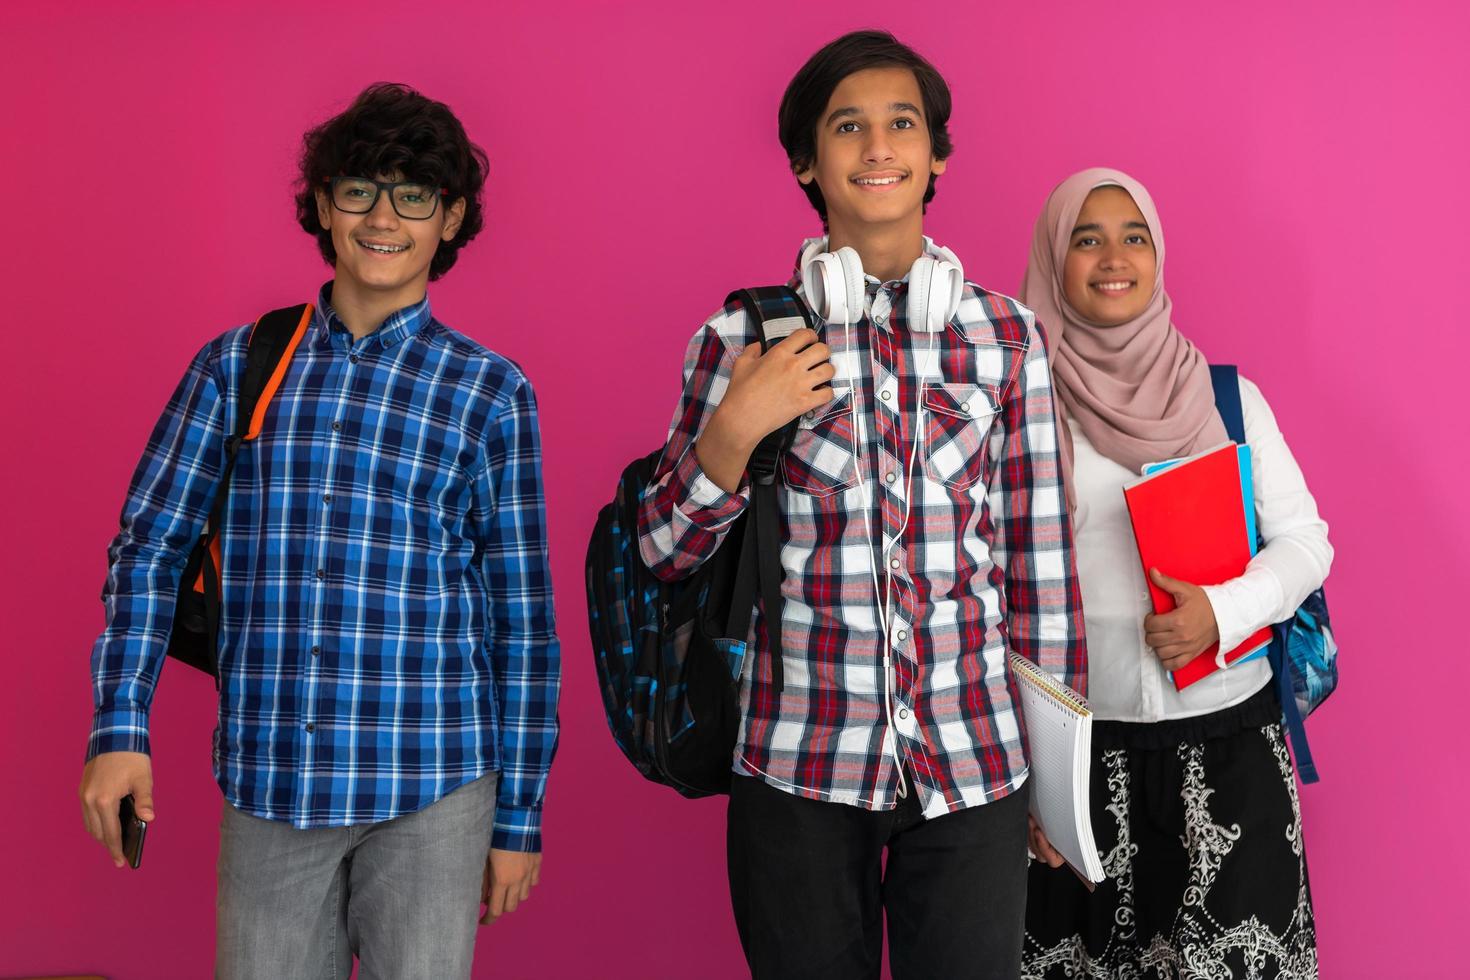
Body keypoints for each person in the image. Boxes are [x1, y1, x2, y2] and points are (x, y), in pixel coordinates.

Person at [77, 83, 560, 979]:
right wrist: (119, 730)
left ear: (450, 219)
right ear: (324, 208)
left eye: (415, 195)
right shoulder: (236, 366)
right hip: (272, 783)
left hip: (437, 788)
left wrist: (519, 816)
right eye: (359, 190)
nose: (384, 217)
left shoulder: (491, 392)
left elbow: (521, 622)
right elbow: (147, 552)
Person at [637, 31, 1086, 979]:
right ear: (808, 160)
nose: (878, 148)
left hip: (974, 768)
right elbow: (663, 551)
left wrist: (1060, 780)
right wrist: (735, 429)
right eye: (849, 128)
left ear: (937, 158)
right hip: (796, 765)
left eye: (901, 125)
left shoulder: (1007, 338)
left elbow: (1042, 571)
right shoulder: (739, 339)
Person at [1018, 168, 1330, 979]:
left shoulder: (1227, 401)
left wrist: (1222, 614)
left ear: (1159, 257)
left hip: (1231, 748)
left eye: (1135, 237)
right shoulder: (1022, 411)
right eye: (1086, 238)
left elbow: (1306, 543)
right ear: (1055, 260)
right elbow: (991, 588)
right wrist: (1022, 774)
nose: (1112, 256)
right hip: (1080, 768)